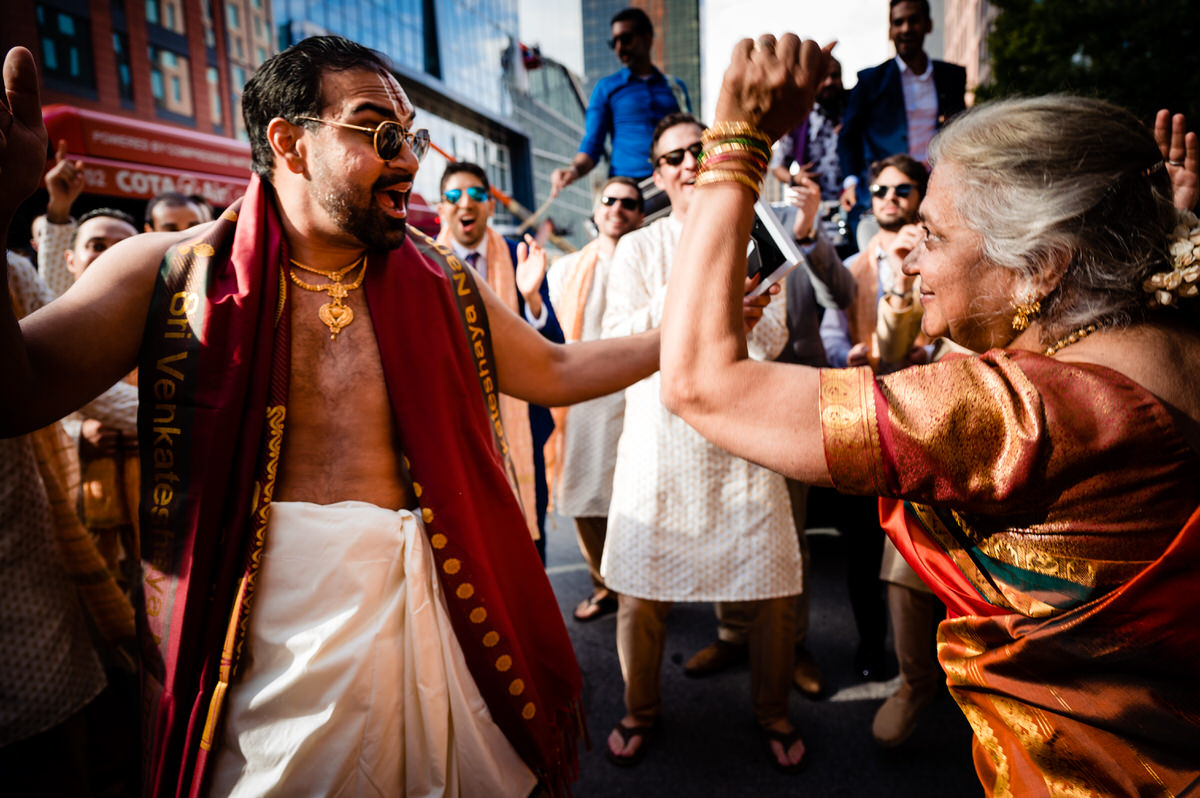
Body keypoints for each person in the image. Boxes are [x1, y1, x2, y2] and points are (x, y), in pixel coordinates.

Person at [0, 38, 671, 797]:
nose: (410, 160)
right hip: (257, 664)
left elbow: (553, 370)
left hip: (440, 618)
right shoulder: (167, 273)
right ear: (289, 141)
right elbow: (16, 393)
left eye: (411, 136)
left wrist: (687, 338)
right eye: (378, 132)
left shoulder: (444, 278)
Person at [661, 33, 1200, 795]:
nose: (908, 256)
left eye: (936, 236)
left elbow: (698, 385)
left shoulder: (1022, 412)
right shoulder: (1165, 329)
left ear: (1041, 267)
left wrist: (738, 141)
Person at [600, 112, 807, 773]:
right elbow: (617, 338)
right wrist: (688, 294)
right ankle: (639, 709)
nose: (690, 163)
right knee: (638, 590)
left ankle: (772, 710)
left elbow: (774, 342)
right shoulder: (638, 249)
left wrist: (741, 322)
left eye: (701, 150)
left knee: (773, 586)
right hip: (658, 442)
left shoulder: (755, 235)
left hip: (743, 438)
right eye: (673, 157)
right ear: (658, 176)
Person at [682, 174, 856, 698]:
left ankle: (794, 643)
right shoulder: (701, 228)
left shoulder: (788, 223)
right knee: (726, 520)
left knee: (789, 531)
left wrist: (806, 233)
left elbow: (841, 294)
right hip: (728, 397)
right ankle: (734, 633)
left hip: (791, 400)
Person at [437, 161, 562, 559]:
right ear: (442, 209)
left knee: (527, 549)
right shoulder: (424, 262)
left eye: (476, 195)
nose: (465, 204)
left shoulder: (518, 256)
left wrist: (531, 299)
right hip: (452, 427)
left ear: (490, 205)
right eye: (454, 196)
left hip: (519, 423)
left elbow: (553, 346)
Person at [543, 176, 644, 621]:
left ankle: (643, 590)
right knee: (583, 497)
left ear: (640, 214)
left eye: (629, 203)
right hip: (583, 397)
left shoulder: (651, 263)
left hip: (640, 394)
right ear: (597, 206)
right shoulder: (567, 268)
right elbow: (547, 329)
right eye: (610, 200)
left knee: (638, 498)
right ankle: (604, 585)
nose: (618, 209)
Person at [837, 1, 965, 226]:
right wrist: (850, 182)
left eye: (913, 20)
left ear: (928, 25)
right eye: (898, 22)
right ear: (890, 31)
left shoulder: (951, 77)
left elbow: (961, 131)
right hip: (884, 193)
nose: (906, 28)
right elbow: (848, 136)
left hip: (935, 189)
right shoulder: (870, 81)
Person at [550, 7, 691, 196]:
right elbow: (593, 142)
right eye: (614, 42)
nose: (619, 47)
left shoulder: (675, 87)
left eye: (626, 39)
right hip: (628, 188)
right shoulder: (606, 88)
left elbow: (690, 135)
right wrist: (574, 170)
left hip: (672, 183)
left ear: (647, 38)